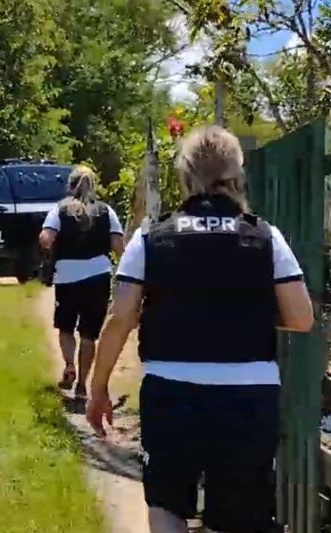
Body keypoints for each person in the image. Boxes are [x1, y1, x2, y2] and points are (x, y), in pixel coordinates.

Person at [86, 125, 314, 533]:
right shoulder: (266, 237)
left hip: (171, 393)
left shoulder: (151, 239)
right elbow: (301, 317)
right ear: (237, 175)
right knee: (241, 517)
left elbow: (120, 318)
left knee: (167, 504)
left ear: (185, 176)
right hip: (248, 397)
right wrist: (241, 309)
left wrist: (99, 386)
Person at [38, 165, 125, 399]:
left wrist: (53, 244)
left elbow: (46, 239)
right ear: (93, 185)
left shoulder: (60, 209)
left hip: (67, 277)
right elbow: (119, 246)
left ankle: (69, 365)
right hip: (98, 278)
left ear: (70, 185)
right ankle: (83, 386)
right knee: (89, 334)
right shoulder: (107, 211)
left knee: (66, 327)